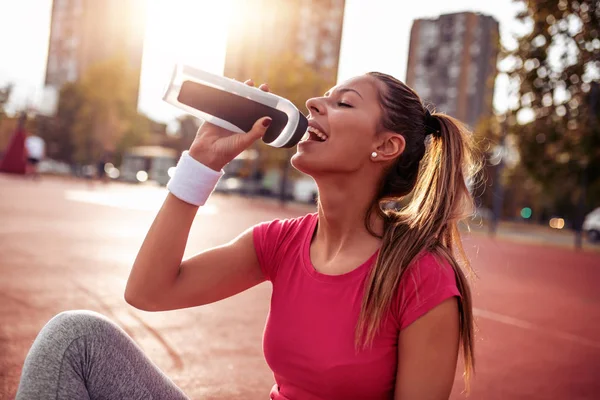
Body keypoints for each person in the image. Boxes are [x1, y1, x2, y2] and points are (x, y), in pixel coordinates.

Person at [16, 72, 478, 400]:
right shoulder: (280, 243)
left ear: (386, 145)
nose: (315, 103)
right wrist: (201, 165)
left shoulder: (422, 276)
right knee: (75, 339)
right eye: (324, 96)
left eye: (344, 102)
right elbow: (148, 291)